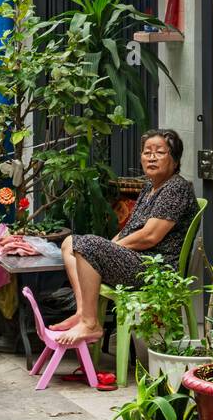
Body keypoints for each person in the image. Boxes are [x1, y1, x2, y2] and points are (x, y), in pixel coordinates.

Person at [52, 129, 198, 348]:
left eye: (159, 152)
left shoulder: (176, 188)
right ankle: (83, 313)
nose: (151, 157)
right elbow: (130, 229)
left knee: (86, 245)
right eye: (147, 152)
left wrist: (106, 249)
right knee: (70, 243)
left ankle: (91, 323)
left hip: (154, 268)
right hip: (135, 260)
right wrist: (107, 249)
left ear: (175, 160)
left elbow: (150, 236)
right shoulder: (150, 187)